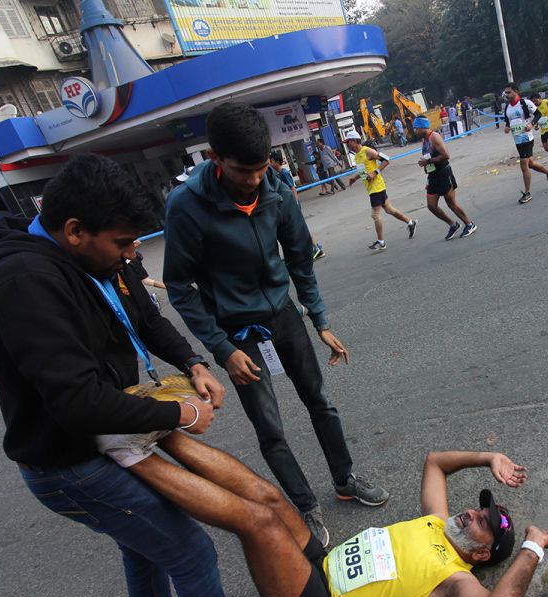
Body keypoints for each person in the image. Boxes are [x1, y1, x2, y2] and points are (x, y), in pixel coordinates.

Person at [0, 152, 283, 597]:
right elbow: (77, 402)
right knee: (185, 545)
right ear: (74, 230)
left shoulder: (100, 260)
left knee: (142, 541)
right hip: (68, 460)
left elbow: (145, 316)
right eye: (122, 244)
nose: (131, 254)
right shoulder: (25, 281)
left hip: (106, 436)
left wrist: (193, 364)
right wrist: (180, 412)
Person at [164, 104, 390, 549]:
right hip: (237, 337)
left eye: (262, 167)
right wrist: (221, 348)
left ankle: (345, 479)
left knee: (320, 402)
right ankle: (304, 506)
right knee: (270, 428)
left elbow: (300, 258)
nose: (253, 179)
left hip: (283, 316)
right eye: (242, 170)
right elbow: (179, 285)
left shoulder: (276, 189)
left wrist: (319, 318)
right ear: (214, 157)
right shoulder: (187, 206)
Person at [129, 442, 548, 597]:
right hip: (318, 568)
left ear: (483, 554)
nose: (471, 513)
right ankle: (160, 435)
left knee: (257, 523)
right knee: (269, 498)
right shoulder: (437, 521)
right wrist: (488, 457)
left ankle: (135, 462)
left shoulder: (455, 582)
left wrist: (532, 544)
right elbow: (436, 462)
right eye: (478, 508)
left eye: (482, 521)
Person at [342, 129, 418, 251]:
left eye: (348, 142)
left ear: (355, 141)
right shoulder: (357, 156)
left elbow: (386, 160)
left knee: (375, 215)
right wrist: (354, 178)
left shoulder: (367, 151)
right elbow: (363, 172)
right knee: (389, 210)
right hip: (371, 188)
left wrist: (375, 172)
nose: (347, 144)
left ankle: (381, 242)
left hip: (376, 187)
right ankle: (410, 222)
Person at [413, 115, 477, 240]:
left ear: (422, 127)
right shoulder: (424, 140)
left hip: (443, 172)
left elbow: (446, 155)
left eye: (416, 128)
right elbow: (428, 157)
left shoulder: (434, 137)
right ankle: (453, 224)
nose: (415, 131)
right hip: (433, 176)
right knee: (431, 206)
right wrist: (426, 167)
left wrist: (429, 161)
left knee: (451, 203)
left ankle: (469, 224)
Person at [502, 83, 548, 205]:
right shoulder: (507, 107)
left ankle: (527, 193)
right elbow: (507, 121)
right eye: (506, 93)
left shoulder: (525, 103)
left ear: (516, 91)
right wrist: (507, 127)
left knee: (524, 164)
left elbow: (538, 114)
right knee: (530, 163)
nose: (507, 95)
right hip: (517, 139)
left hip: (527, 137)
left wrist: (531, 124)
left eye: (509, 92)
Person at [268, 150, 325, 261]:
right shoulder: (277, 174)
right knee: (295, 230)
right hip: (286, 207)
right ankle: (309, 249)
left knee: (301, 228)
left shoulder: (284, 173)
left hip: (292, 206)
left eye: (271, 161)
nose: (269, 164)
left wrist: (294, 205)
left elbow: (293, 189)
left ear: (276, 162)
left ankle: (316, 248)